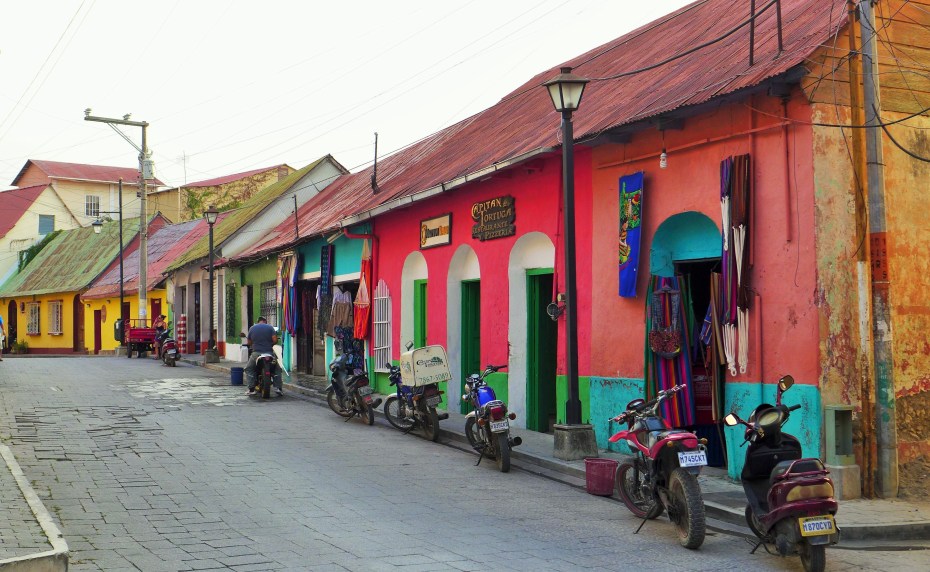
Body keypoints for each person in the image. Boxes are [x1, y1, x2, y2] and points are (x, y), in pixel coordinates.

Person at [245, 316, 280, 396]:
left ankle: (251, 389)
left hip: (256, 353)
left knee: (249, 368)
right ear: (265, 321)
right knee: (277, 368)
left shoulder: (252, 328)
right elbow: (275, 340)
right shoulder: (270, 327)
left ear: (258, 321)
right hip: (269, 353)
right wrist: (270, 344)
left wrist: (252, 344)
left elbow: (249, 342)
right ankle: (278, 388)